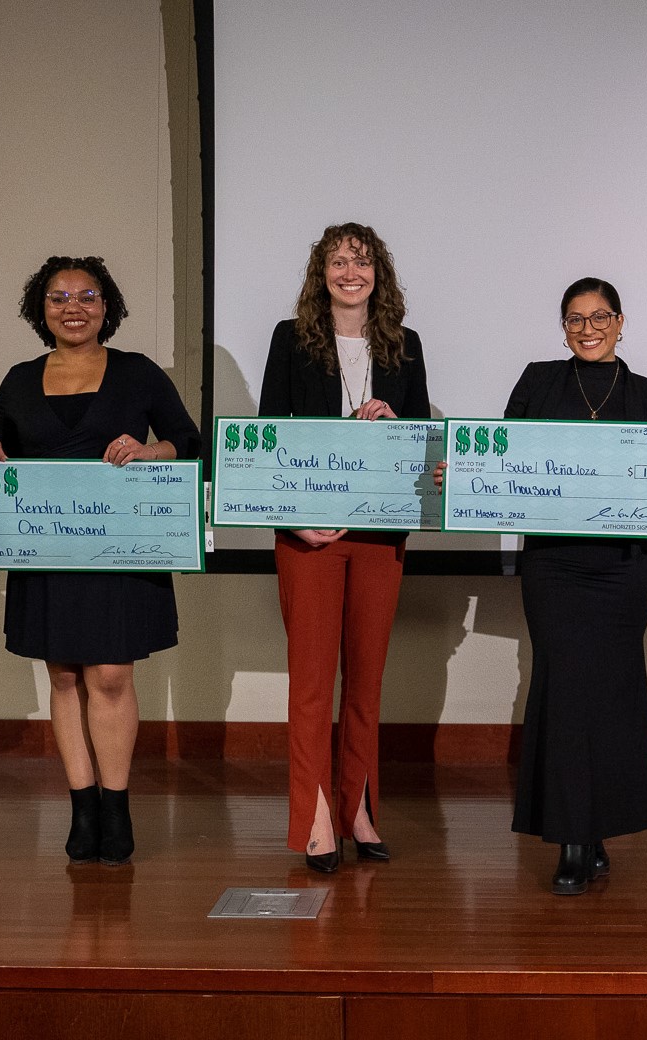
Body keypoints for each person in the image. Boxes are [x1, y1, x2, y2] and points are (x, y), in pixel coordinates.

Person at [0, 255, 200, 866]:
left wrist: (152, 452)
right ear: (40, 310)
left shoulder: (139, 373)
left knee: (112, 676)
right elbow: (1, 449)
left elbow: (189, 440)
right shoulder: (18, 378)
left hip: (120, 548)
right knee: (64, 676)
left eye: (87, 296)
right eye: (59, 297)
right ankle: (82, 805)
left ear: (107, 306)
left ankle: (117, 808)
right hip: (46, 548)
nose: (73, 307)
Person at [259, 224, 429, 872]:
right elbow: (270, 433)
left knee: (365, 682)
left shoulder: (405, 346)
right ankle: (317, 816)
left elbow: (422, 443)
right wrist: (293, 518)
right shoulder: (291, 339)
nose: (350, 272)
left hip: (379, 534)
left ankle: (358, 805)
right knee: (310, 684)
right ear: (320, 273)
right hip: (309, 536)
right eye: (338, 261)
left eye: (361, 262)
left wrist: (398, 425)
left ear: (378, 274)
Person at [502, 278, 647, 894]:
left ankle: (597, 831)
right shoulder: (537, 380)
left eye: (600, 317)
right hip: (555, 566)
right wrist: (465, 472)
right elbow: (504, 461)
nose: (588, 329)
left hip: (626, 569)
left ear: (622, 323)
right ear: (563, 327)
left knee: (612, 692)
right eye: (575, 319)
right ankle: (572, 838)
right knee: (565, 689)